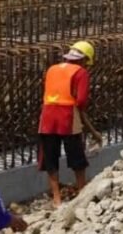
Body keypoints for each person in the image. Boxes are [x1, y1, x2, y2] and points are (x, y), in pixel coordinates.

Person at [38, 41, 99, 208]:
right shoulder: (81, 72)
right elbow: (81, 100)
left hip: (47, 117)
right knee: (76, 155)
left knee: (50, 158)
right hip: (68, 116)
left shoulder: (52, 69)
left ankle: (57, 199)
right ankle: (81, 192)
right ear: (84, 59)